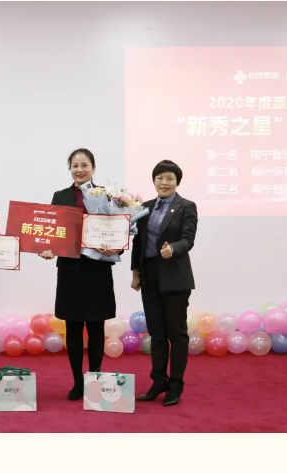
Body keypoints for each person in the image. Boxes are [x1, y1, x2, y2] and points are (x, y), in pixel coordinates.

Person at [40, 148, 122, 401]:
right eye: (75, 165)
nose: (79, 170)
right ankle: (78, 382)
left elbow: (118, 229)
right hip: (70, 271)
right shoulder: (60, 196)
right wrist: (48, 248)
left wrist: (115, 246)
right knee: (73, 327)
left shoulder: (107, 195)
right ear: (70, 169)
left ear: (93, 168)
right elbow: (52, 231)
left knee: (96, 326)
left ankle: (94, 378)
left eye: (84, 165)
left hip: (97, 270)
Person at [131, 160, 198, 406]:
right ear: (154, 181)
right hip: (149, 276)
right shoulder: (144, 208)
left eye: (169, 178)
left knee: (177, 334)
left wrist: (174, 248)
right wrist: (135, 273)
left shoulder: (186, 206)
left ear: (177, 181)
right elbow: (138, 243)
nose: (164, 182)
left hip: (175, 277)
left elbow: (188, 239)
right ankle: (158, 381)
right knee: (157, 334)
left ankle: (176, 385)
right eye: (160, 178)